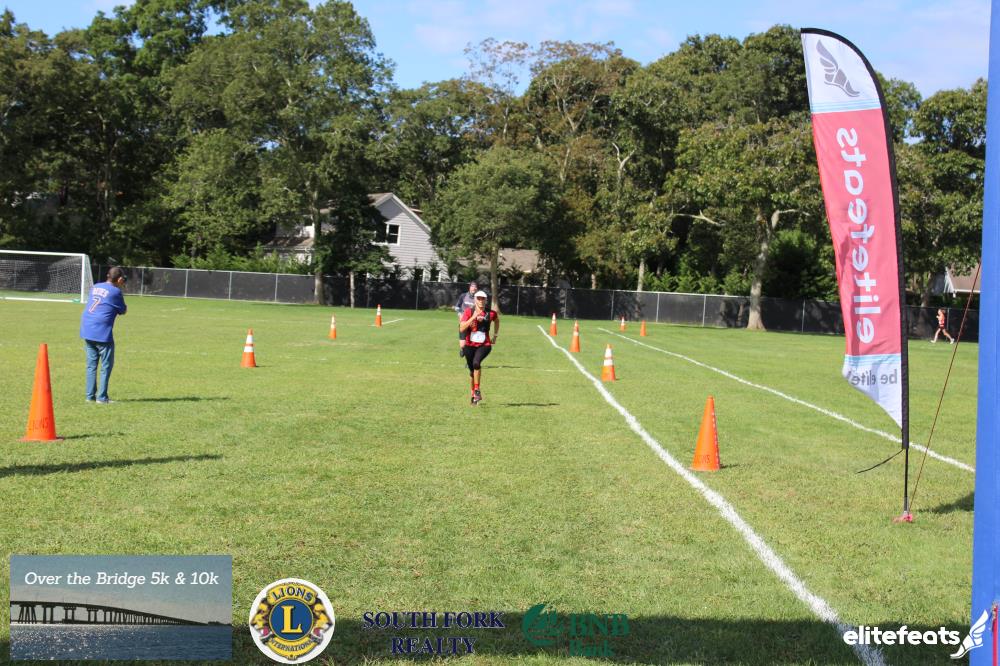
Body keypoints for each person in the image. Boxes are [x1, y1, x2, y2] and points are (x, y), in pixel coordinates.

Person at [80, 266, 128, 403]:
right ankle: (102, 397)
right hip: (102, 331)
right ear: (119, 279)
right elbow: (123, 310)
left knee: (91, 365)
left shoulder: (95, 286)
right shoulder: (116, 291)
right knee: (106, 366)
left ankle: (90, 396)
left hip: (87, 328)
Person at [459, 290, 499, 405]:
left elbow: (497, 321)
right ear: (475, 300)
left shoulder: (491, 313)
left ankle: (477, 390)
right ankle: (473, 394)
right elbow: (462, 328)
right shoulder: (468, 311)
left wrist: (495, 335)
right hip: (469, 346)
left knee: (476, 363)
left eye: (483, 298)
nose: (481, 301)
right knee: (472, 372)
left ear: (486, 300)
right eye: (478, 298)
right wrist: (473, 317)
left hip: (484, 345)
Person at [454, 281, 478, 357]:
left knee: (473, 341)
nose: (474, 288)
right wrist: (460, 315)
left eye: (475, 287)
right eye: (472, 286)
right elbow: (457, 307)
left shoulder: (479, 298)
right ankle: (462, 349)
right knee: (463, 345)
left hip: (474, 323)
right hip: (464, 322)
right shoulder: (463, 296)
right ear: (469, 287)